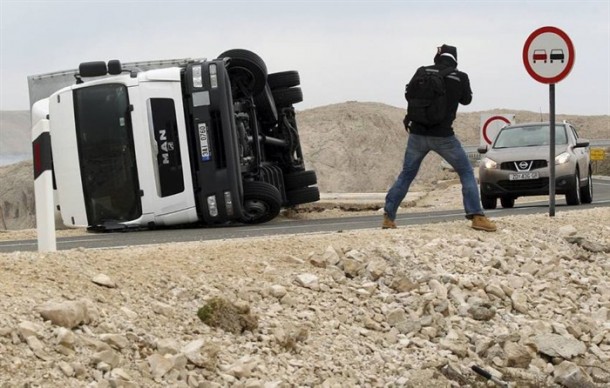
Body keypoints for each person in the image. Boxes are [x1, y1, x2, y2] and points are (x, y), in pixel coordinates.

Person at [382, 44, 497, 232]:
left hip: (417, 135)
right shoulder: (460, 77)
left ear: (437, 56)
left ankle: (388, 216)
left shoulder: (422, 71)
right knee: (466, 172)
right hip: (444, 136)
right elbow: (466, 100)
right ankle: (477, 216)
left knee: (407, 174)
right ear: (455, 58)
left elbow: (408, 94)